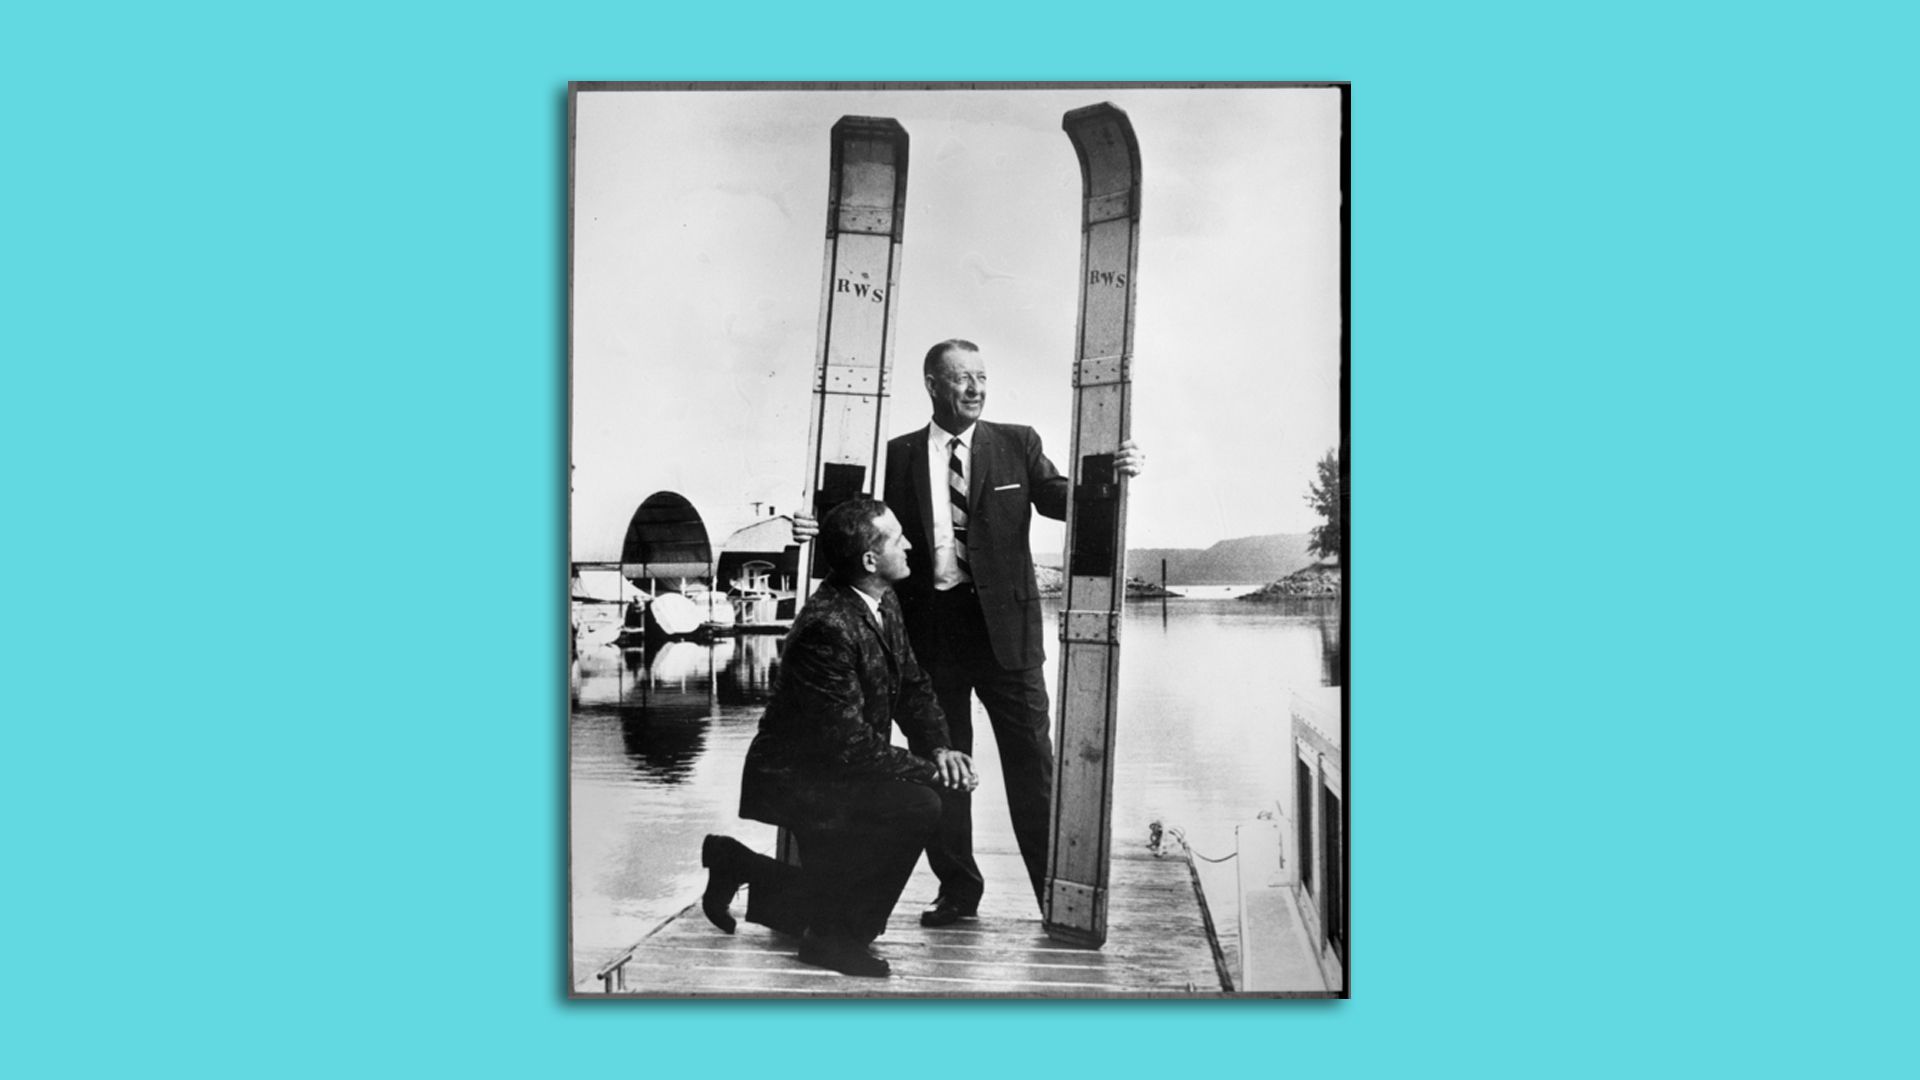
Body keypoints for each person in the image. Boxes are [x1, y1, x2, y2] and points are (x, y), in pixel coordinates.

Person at [797, 338, 1143, 927]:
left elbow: (1063, 500)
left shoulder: (1018, 443)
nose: (976, 387)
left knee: (1033, 767)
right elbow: (859, 529)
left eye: (982, 376)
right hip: (930, 639)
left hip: (1008, 638)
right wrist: (818, 526)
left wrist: (1109, 475)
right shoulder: (897, 454)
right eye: (962, 378)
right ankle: (958, 890)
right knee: (942, 765)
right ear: (933, 383)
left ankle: (1053, 894)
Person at [699, 497, 977, 978]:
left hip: (836, 769)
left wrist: (941, 748)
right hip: (802, 777)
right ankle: (832, 942)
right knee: (920, 804)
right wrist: (934, 774)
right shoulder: (827, 626)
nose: (910, 544)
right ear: (870, 560)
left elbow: (913, 686)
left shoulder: (881, 600)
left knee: (824, 897)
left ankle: (735, 862)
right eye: (896, 538)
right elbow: (848, 745)